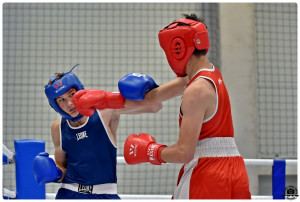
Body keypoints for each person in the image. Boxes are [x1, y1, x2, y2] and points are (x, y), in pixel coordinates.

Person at [122, 13, 252, 199]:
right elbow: (153, 98)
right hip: (235, 169)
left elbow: (183, 153)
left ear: (178, 48)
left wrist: (151, 151)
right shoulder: (209, 75)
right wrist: (107, 100)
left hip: (208, 171)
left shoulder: (196, 89)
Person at [32, 64, 164, 199]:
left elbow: (155, 106)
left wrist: (150, 88)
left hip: (105, 195)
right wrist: (57, 173)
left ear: (79, 91)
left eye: (71, 94)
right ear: (55, 105)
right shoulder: (57, 128)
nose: (70, 103)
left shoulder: (104, 112)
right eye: (61, 100)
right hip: (69, 194)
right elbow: (62, 165)